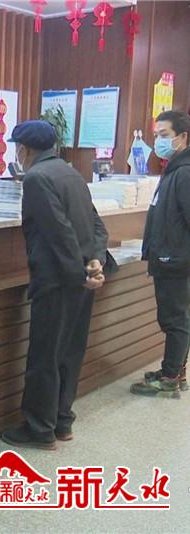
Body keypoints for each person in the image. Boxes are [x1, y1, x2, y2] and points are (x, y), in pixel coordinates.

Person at [1, 120, 109, 451]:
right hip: (80, 277)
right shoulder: (71, 173)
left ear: (23, 149)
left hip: (56, 280)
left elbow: (57, 232)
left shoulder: (36, 178)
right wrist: (94, 261)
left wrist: (79, 274)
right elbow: (96, 224)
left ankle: (39, 428)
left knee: (45, 355)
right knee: (69, 352)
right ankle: (62, 420)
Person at [130, 110, 190, 398]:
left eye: (164, 135)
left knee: (174, 320)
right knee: (176, 318)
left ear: (183, 137)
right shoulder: (174, 170)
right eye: (156, 135)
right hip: (169, 256)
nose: (158, 141)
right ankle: (176, 370)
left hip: (175, 260)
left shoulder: (184, 173)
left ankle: (170, 377)